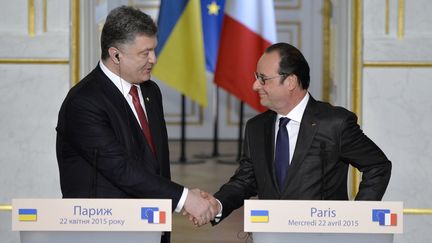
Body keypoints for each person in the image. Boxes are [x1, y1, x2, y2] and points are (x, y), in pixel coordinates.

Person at [55, 6, 217, 242]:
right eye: (145, 53)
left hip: (150, 226)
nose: (154, 59)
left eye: (154, 50)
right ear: (116, 55)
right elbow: (121, 169)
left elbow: (155, 164)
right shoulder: (84, 102)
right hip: (104, 230)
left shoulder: (150, 91)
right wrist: (185, 199)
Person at [204, 42, 392, 225]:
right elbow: (245, 180)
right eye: (256, 77)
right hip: (271, 236)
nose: (255, 85)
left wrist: (357, 218)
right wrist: (217, 204)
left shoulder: (334, 123)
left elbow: (378, 166)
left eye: (263, 79)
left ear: (291, 81)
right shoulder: (256, 127)